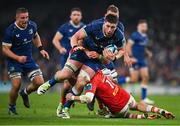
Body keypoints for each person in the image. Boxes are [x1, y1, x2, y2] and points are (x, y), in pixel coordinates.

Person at [37, 13, 132, 118]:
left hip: (94, 59)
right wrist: (75, 46)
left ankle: (65, 109)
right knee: (65, 75)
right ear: (104, 23)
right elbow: (75, 37)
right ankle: (49, 83)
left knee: (81, 82)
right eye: (108, 26)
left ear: (116, 26)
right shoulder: (95, 26)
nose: (109, 30)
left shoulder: (119, 35)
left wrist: (114, 57)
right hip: (82, 52)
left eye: (112, 27)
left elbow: (122, 50)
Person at [66, 71, 175, 119]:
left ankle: (141, 116)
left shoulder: (91, 82)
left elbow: (88, 99)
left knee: (122, 114)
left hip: (118, 107)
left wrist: (71, 97)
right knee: (136, 105)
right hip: (124, 95)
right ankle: (160, 111)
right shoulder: (99, 72)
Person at [2, 7, 49, 115]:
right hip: (14, 61)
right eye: (22, 18)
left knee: (39, 83)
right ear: (17, 17)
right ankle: (12, 107)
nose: (25, 20)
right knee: (16, 84)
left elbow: (36, 36)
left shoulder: (32, 25)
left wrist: (41, 49)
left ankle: (25, 93)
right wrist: (17, 58)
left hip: (28, 60)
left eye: (27, 17)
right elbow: (5, 49)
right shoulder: (10, 31)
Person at [52, 7, 84, 117]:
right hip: (67, 59)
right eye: (74, 14)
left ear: (81, 16)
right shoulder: (65, 27)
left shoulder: (84, 28)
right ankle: (61, 105)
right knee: (66, 84)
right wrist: (60, 48)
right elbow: (55, 39)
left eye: (78, 15)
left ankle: (69, 101)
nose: (76, 16)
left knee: (79, 83)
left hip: (80, 59)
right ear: (71, 16)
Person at [126, 19, 154, 104]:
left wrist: (147, 52)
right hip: (135, 59)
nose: (145, 27)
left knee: (146, 76)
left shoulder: (145, 36)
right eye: (143, 26)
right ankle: (119, 80)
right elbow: (128, 46)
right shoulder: (135, 35)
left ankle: (144, 98)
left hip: (142, 60)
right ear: (139, 26)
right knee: (134, 79)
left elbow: (143, 46)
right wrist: (131, 57)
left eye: (145, 26)